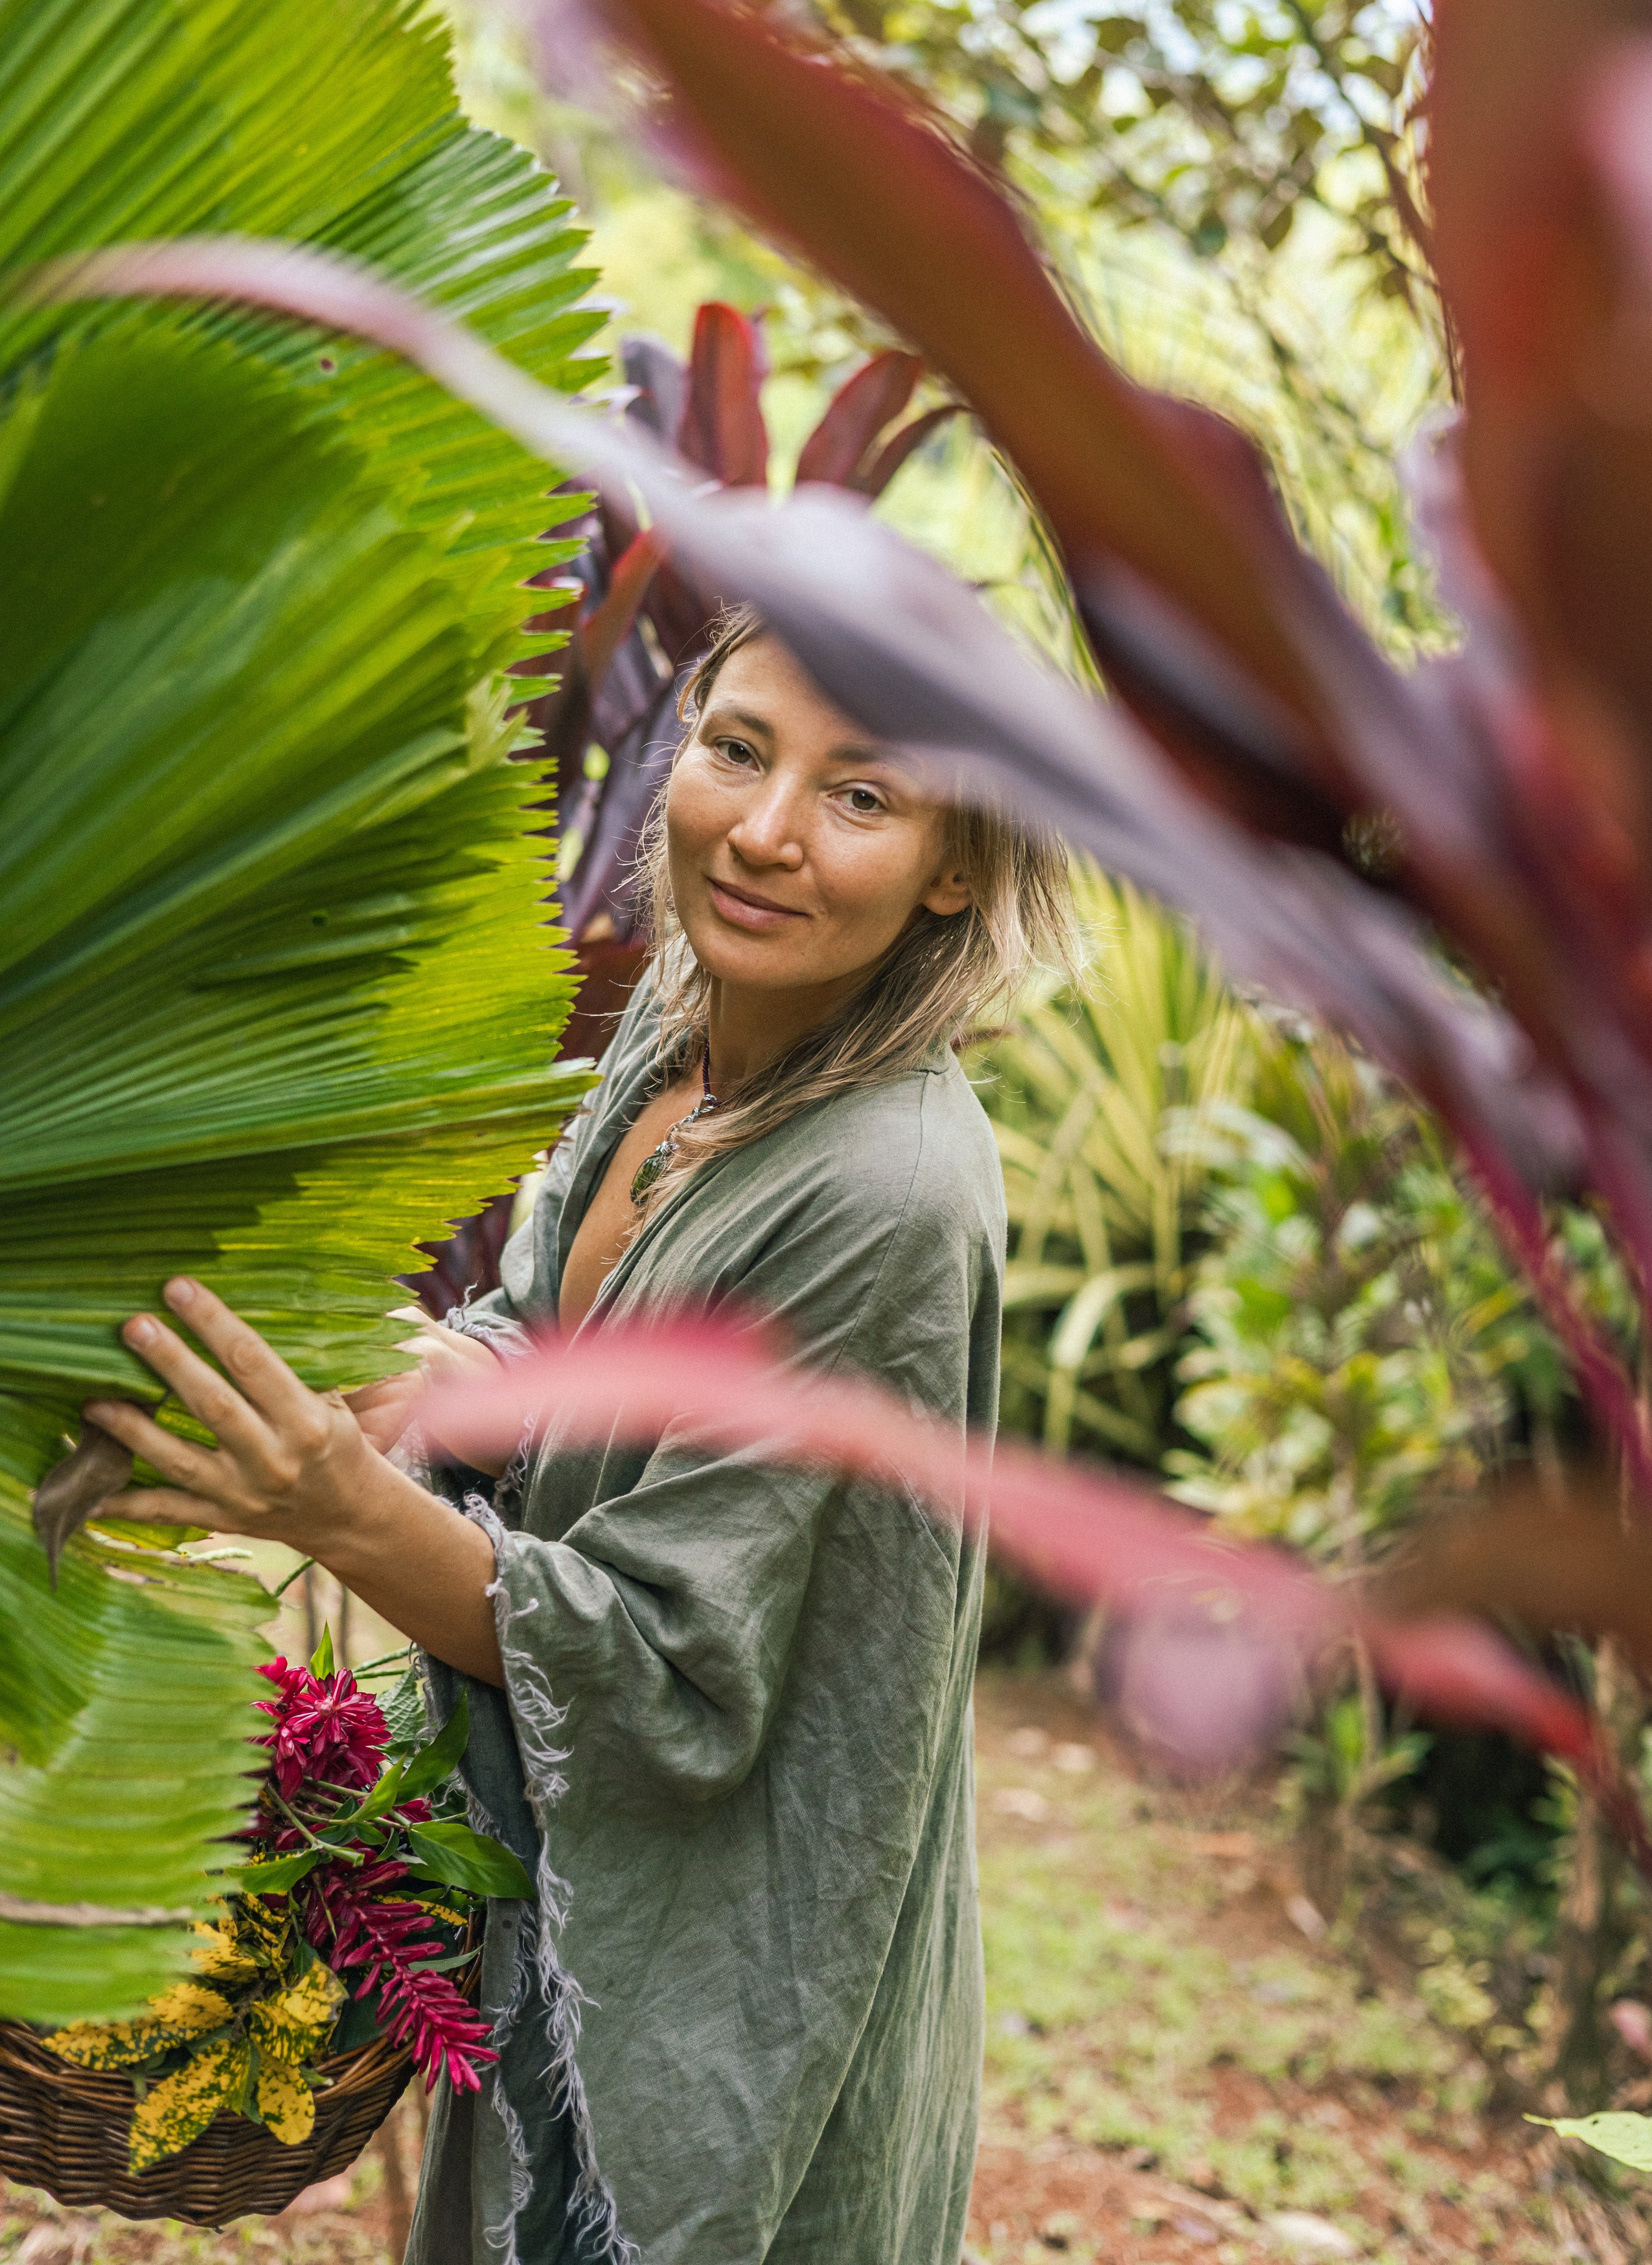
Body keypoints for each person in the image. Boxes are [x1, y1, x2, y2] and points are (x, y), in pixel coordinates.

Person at [88, 609, 1078, 2265]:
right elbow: (558, 1336)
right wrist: (415, 1377)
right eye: (738, 746)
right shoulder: (697, 1026)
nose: (761, 831)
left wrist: (339, 1507)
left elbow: (671, 1672)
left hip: (730, 1976)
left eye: (861, 795)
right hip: (574, 1926)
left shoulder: (884, 1194)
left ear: (955, 866)